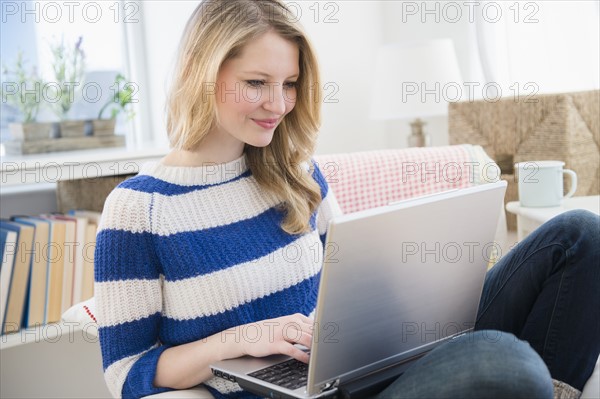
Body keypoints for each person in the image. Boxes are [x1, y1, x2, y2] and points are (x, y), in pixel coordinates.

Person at [94, 1, 600, 398]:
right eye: (257, 83)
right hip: (308, 391)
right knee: (501, 364)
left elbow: (351, 288)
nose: (278, 105)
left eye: (289, 84)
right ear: (198, 72)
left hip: (366, 358)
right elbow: (126, 372)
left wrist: (418, 285)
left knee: (580, 236)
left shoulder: (297, 174)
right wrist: (243, 339)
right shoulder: (140, 210)